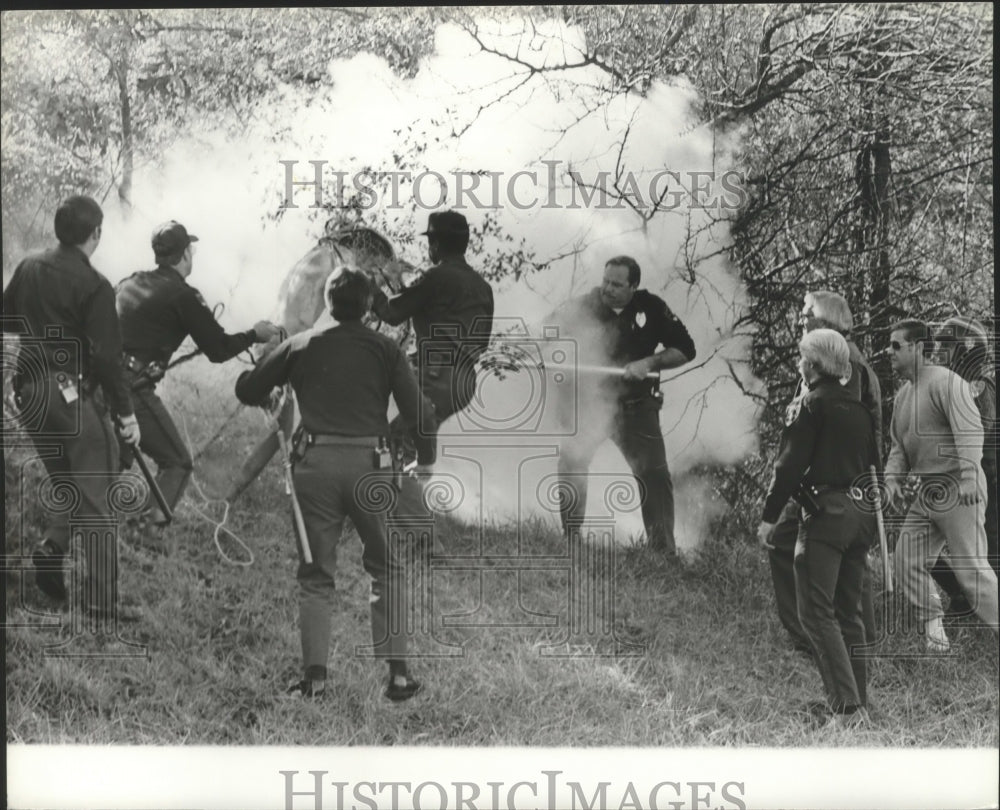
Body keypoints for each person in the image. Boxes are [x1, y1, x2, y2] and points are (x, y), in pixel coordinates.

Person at [234, 266, 435, 701]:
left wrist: (274, 360)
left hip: (315, 467)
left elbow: (248, 389)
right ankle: (398, 677)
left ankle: (315, 681)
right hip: (373, 468)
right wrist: (428, 461)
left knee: (315, 574)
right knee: (387, 567)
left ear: (328, 303)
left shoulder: (300, 344)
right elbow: (420, 414)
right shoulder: (386, 349)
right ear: (368, 307)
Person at [2, 195, 142, 620]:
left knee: (68, 482)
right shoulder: (95, 286)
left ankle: (52, 548)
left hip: (27, 392)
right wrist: (127, 414)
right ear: (95, 234)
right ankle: (100, 606)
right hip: (68, 395)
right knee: (97, 496)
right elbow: (107, 359)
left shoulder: (27, 267)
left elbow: (5, 321)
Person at [115, 220, 280, 526]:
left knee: (114, 457)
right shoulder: (183, 295)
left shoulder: (129, 282)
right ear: (185, 255)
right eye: (191, 249)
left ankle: (81, 520)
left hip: (98, 382)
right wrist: (254, 335)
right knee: (177, 462)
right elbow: (218, 349)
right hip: (131, 390)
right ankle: (148, 529)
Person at [757, 329, 878, 726]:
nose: (799, 365)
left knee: (815, 612)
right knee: (849, 612)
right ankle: (859, 700)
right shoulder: (859, 408)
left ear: (812, 365)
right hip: (860, 515)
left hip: (826, 515)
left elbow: (787, 466)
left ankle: (846, 709)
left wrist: (769, 517)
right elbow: (872, 465)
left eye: (801, 359)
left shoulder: (808, 405)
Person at [552, 256, 695, 555]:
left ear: (633, 286)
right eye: (606, 281)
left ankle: (663, 552)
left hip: (637, 406)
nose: (608, 289)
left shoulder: (653, 308)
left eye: (617, 284)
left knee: (654, 474)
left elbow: (686, 349)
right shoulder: (585, 306)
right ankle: (570, 540)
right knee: (571, 461)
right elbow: (547, 330)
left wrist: (650, 361)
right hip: (590, 403)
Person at [767, 291, 881, 654]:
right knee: (849, 558)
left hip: (838, 481)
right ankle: (853, 640)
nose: (801, 318)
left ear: (828, 322)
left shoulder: (846, 365)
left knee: (789, 542)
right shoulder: (834, 356)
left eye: (807, 313)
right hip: (843, 478)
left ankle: (813, 635)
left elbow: (838, 420)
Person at [884, 320, 999, 651]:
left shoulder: (949, 383)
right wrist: (892, 480)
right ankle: (936, 638)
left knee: (973, 577)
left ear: (918, 348)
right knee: (906, 561)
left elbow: (970, 430)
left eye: (895, 346)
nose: (888, 352)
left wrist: (967, 476)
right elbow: (898, 448)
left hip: (959, 490)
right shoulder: (904, 395)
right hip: (927, 494)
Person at [371, 210, 494, 471]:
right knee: (413, 442)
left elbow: (391, 314)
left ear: (435, 245)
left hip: (435, 376)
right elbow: (481, 344)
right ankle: (402, 493)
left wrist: (368, 286)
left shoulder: (435, 277)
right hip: (464, 384)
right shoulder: (484, 288)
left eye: (430, 243)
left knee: (396, 441)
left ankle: (391, 503)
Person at [929, 316, 997, 614]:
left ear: (962, 347)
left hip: (986, 474)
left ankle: (973, 605)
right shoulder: (957, 378)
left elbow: (981, 423)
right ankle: (963, 598)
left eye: (944, 344)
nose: (936, 350)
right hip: (962, 472)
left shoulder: (978, 380)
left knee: (987, 550)